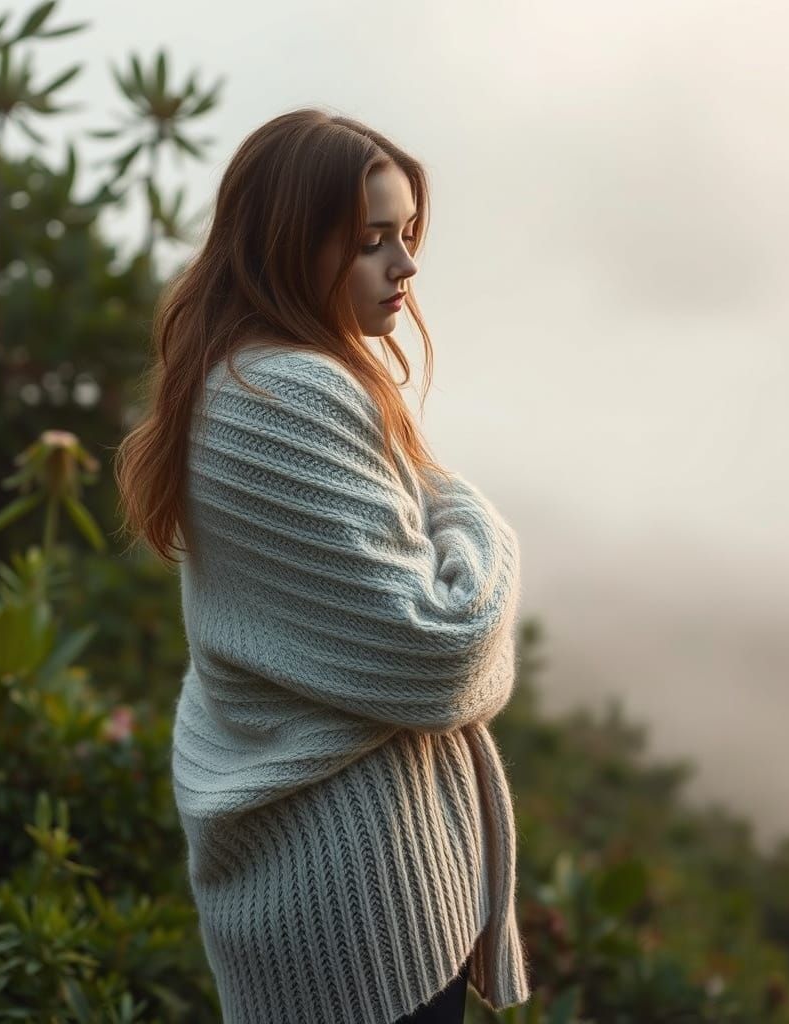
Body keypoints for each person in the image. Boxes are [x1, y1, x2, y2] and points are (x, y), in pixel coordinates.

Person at [115, 107, 531, 1024]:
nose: (405, 266)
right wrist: (474, 515)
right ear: (287, 248)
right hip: (358, 898)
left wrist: (427, 486)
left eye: (407, 235)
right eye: (370, 240)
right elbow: (440, 647)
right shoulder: (284, 398)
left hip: (346, 882)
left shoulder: (248, 375)